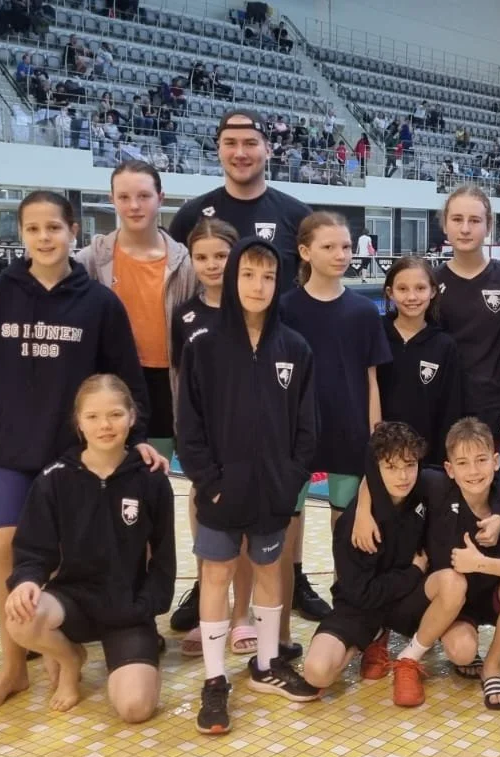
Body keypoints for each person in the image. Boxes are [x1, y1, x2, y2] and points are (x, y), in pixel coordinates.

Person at [0, 190, 162, 714]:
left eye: (53, 227)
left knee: (70, 553)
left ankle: (61, 647)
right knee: (5, 550)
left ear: (74, 232)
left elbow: (127, 380)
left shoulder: (98, 303)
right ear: (21, 235)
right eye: (33, 229)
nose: (44, 237)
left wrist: (136, 439)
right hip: (11, 450)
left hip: (76, 457)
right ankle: (13, 667)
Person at [165, 111, 322, 621]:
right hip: (223, 373)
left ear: (267, 149)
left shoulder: (294, 212)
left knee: (285, 493)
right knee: (207, 489)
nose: (240, 152)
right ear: (218, 149)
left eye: (250, 142)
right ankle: (206, 583)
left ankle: (292, 577)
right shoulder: (193, 214)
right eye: (230, 142)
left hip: (276, 360)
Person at [177, 237, 321, 734]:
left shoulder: (295, 348)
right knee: (216, 574)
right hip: (222, 490)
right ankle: (215, 679)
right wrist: (209, 482)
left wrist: (291, 479)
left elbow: (307, 426)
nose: (258, 286)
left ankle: (265, 664)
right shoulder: (204, 347)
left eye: (268, 277)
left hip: (274, 492)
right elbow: (188, 426)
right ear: (232, 277)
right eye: (248, 275)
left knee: (268, 571)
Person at [4, 375, 174, 721]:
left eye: (115, 414)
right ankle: (70, 660)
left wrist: (145, 607)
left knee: (135, 709)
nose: (105, 426)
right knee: (20, 619)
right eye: (93, 417)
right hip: (73, 602)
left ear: (132, 417)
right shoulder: (55, 478)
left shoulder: (150, 478)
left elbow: (163, 557)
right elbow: (33, 549)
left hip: (128, 609)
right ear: (79, 423)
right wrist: (26, 581)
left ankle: (122, 656)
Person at [279, 210, 392, 626]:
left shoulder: (362, 312)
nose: (341, 254)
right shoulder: (285, 309)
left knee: (344, 521)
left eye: (345, 246)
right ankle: (292, 590)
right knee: (290, 518)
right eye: (329, 247)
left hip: (349, 430)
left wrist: (375, 434)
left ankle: (347, 600)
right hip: (297, 432)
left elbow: (371, 379)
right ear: (305, 251)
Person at [395, 418, 500, 709]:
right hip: (450, 602)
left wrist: (480, 563)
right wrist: (362, 511)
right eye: (462, 463)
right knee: (462, 652)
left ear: (496, 462)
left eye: (481, 460)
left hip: (488, 596)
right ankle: (429, 644)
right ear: (449, 469)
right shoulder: (436, 488)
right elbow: (386, 472)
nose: (473, 471)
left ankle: (492, 667)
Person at [302, 423, 442, 694]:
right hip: (362, 607)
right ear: (376, 469)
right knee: (316, 672)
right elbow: (359, 595)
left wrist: (497, 516)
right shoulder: (353, 526)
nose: (403, 476)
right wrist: (413, 572)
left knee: (451, 591)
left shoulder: (424, 489)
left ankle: (408, 655)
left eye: (410, 465)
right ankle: (371, 638)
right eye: (391, 467)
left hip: (405, 602)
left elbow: (470, 478)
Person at [76, 161, 196, 464]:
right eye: (124, 197)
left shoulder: (186, 265)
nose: (134, 206)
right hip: (110, 380)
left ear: (160, 198)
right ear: (112, 200)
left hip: (165, 382)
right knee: (108, 471)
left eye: (143, 196)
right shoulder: (90, 261)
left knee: (155, 472)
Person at [167, 218, 243, 639]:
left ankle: (242, 614)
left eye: (221, 255)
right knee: (208, 523)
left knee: (250, 530)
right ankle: (211, 604)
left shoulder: (253, 308)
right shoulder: (186, 315)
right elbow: (183, 381)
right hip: (205, 440)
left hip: (247, 438)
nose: (212, 265)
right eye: (202, 257)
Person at [433, 185, 500, 463]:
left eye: (475, 220)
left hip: (489, 403)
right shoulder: (429, 281)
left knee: (486, 481)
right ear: (445, 225)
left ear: (488, 226)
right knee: (442, 481)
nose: (465, 229)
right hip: (441, 401)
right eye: (457, 219)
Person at [375, 254, 464, 467]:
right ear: (390, 292)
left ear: (433, 291)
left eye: (420, 288)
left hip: (426, 458)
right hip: (379, 453)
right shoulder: (375, 334)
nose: (412, 297)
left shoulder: (444, 345)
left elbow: (450, 409)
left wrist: (442, 461)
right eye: (402, 289)